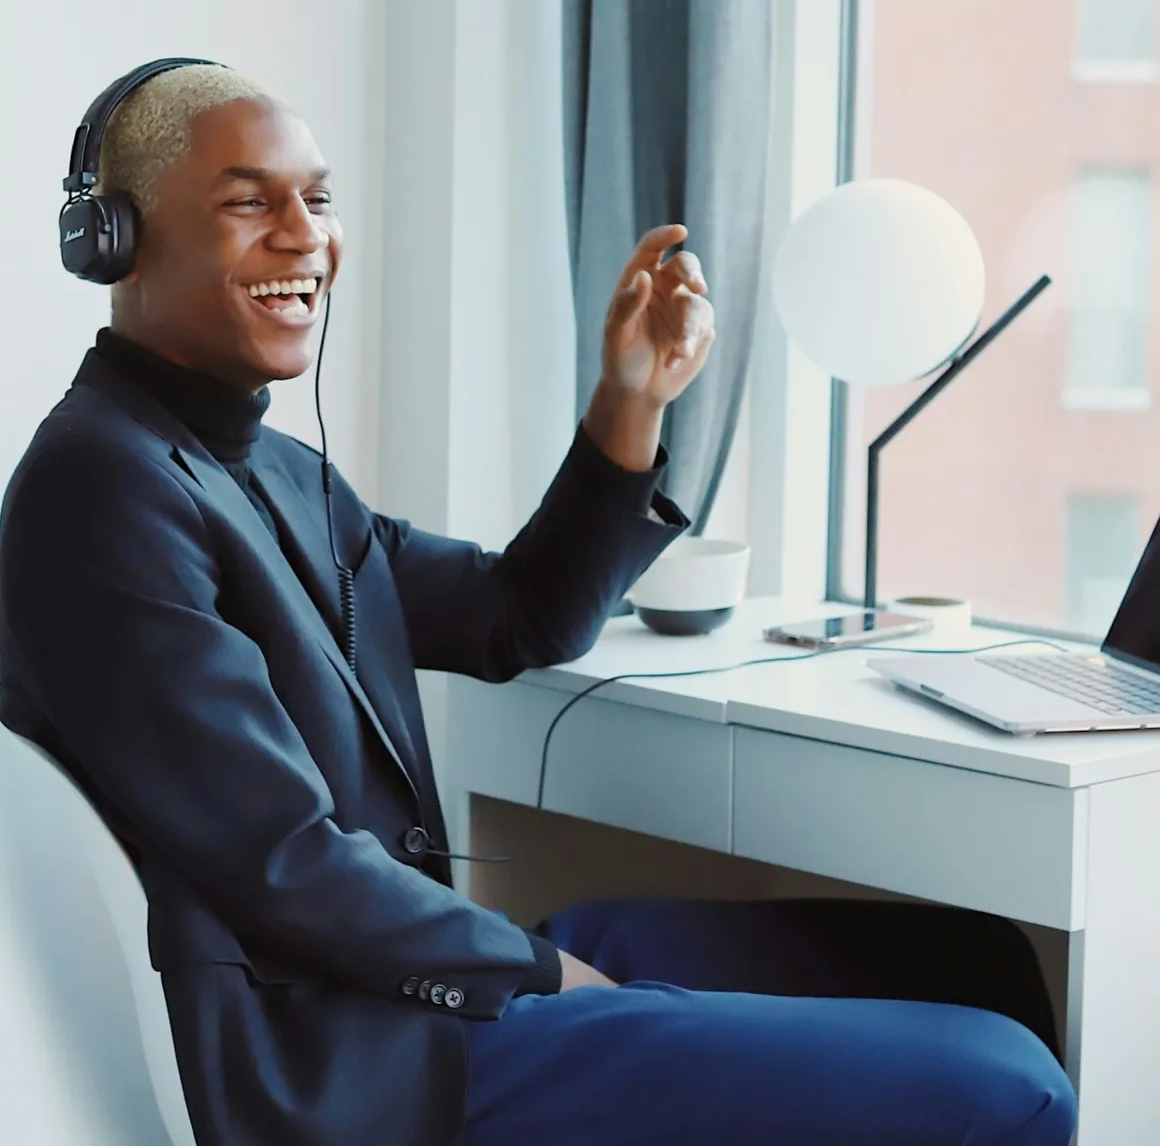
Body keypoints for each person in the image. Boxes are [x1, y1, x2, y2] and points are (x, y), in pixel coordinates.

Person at [0, 62, 1076, 1146]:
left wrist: (629, 400)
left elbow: (517, 614)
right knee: (1009, 1081)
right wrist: (541, 968)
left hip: (402, 972)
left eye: (316, 200)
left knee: (974, 955)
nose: (304, 238)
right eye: (248, 202)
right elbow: (285, 861)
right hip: (348, 1051)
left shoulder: (269, 468)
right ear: (116, 240)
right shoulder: (100, 489)